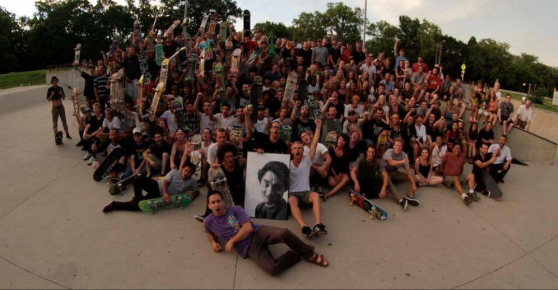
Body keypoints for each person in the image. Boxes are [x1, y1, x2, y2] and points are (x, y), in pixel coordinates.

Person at [204, 190, 328, 276]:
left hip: (257, 232)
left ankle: (310, 255)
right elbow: (208, 232)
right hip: (248, 248)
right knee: (272, 269)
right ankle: (297, 252)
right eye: (213, 203)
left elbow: (248, 228)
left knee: (284, 233)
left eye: (218, 201)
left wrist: (231, 241)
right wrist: (213, 242)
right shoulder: (208, 221)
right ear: (209, 206)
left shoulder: (235, 210)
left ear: (223, 202)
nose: (216, 204)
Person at [102, 163, 200, 212]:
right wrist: (165, 193)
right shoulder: (175, 172)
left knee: (138, 206)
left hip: (159, 197)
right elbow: (165, 182)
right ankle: (137, 198)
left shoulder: (192, 182)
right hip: (157, 185)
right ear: (183, 169)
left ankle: (114, 205)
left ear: (192, 174)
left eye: (189, 172)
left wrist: (188, 199)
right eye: (186, 170)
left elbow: (196, 192)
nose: (186, 173)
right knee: (138, 180)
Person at [288, 119, 328, 238]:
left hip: (306, 192)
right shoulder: (287, 163)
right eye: (295, 148)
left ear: (303, 150)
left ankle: (318, 224)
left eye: (300, 148)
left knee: (315, 195)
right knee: (291, 201)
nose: (298, 150)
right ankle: (304, 227)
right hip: (293, 194)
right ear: (291, 151)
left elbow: (314, 143)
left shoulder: (307, 160)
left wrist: (318, 127)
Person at [382, 138, 420, 211]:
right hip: (384, 172)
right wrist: (402, 161)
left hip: (394, 173)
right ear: (393, 146)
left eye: (400, 146)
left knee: (412, 177)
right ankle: (400, 200)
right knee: (387, 180)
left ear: (402, 147)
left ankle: (410, 196)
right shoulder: (388, 152)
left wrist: (413, 184)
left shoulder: (404, 155)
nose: (398, 147)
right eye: (396, 145)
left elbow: (408, 170)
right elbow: (391, 162)